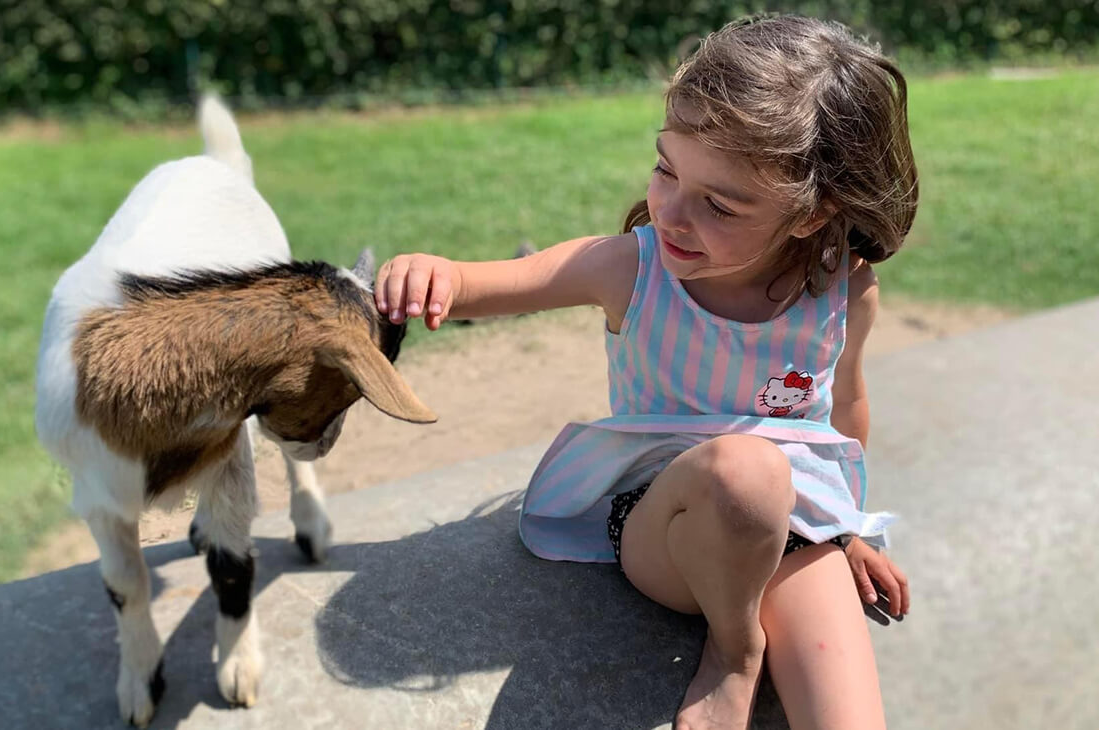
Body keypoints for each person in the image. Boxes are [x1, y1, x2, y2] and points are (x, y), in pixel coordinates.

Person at [374, 14, 916, 730]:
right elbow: (494, 282)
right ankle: (735, 652)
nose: (670, 212)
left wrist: (844, 530)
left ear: (814, 214)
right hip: (665, 520)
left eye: (720, 203)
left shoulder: (844, 288)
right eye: (665, 168)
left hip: (796, 525)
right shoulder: (632, 269)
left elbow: (843, 410)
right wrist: (427, 274)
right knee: (746, 474)